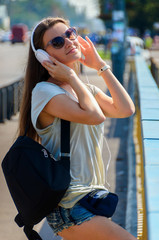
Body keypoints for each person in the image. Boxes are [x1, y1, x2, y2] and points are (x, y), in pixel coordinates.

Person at [18, 17, 136, 240]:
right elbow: (95, 116)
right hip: (70, 207)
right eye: (57, 42)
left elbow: (125, 109)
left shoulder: (86, 90)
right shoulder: (45, 92)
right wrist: (72, 75)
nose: (69, 41)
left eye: (70, 33)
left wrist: (100, 65)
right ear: (44, 57)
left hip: (91, 199)